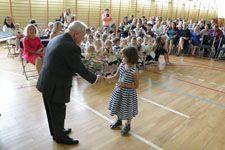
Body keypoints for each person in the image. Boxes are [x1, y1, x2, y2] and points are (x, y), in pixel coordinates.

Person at [36, 21, 105, 145]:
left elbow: (67, 59)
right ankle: (60, 137)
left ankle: (57, 132)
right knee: (58, 111)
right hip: (56, 84)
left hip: (46, 81)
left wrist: (80, 59)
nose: (83, 39)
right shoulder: (71, 46)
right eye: (83, 36)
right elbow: (80, 70)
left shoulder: (58, 38)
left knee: (52, 111)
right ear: (76, 33)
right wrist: (95, 78)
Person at [107, 46, 139, 136]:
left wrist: (124, 85)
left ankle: (128, 125)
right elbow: (116, 77)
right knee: (119, 106)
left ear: (131, 58)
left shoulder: (134, 71)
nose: (122, 58)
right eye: (122, 56)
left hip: (128, 94)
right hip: (119, 91)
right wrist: (106, 79)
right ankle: (119, 121)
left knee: (127, 109)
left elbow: (136, 86)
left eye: (124, 57)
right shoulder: (121, 65)